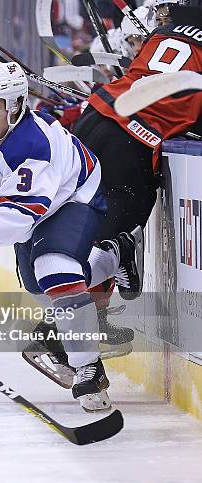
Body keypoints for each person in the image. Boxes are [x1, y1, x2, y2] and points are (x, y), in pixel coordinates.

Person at [0, 61, 141, 412]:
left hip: (73, 194)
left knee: (54, 268)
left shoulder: (35, 142)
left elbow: (22, 218)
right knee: (39, 285)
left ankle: (88, 368)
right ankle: (113, 255)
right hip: (25, 204)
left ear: (16, 104)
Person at [72, 2, 202, 329]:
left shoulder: (161, 33)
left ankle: (94, 321)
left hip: (95, 117)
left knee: (91, 231)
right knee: (109, 241)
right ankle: (59, 334)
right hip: (131, 141)